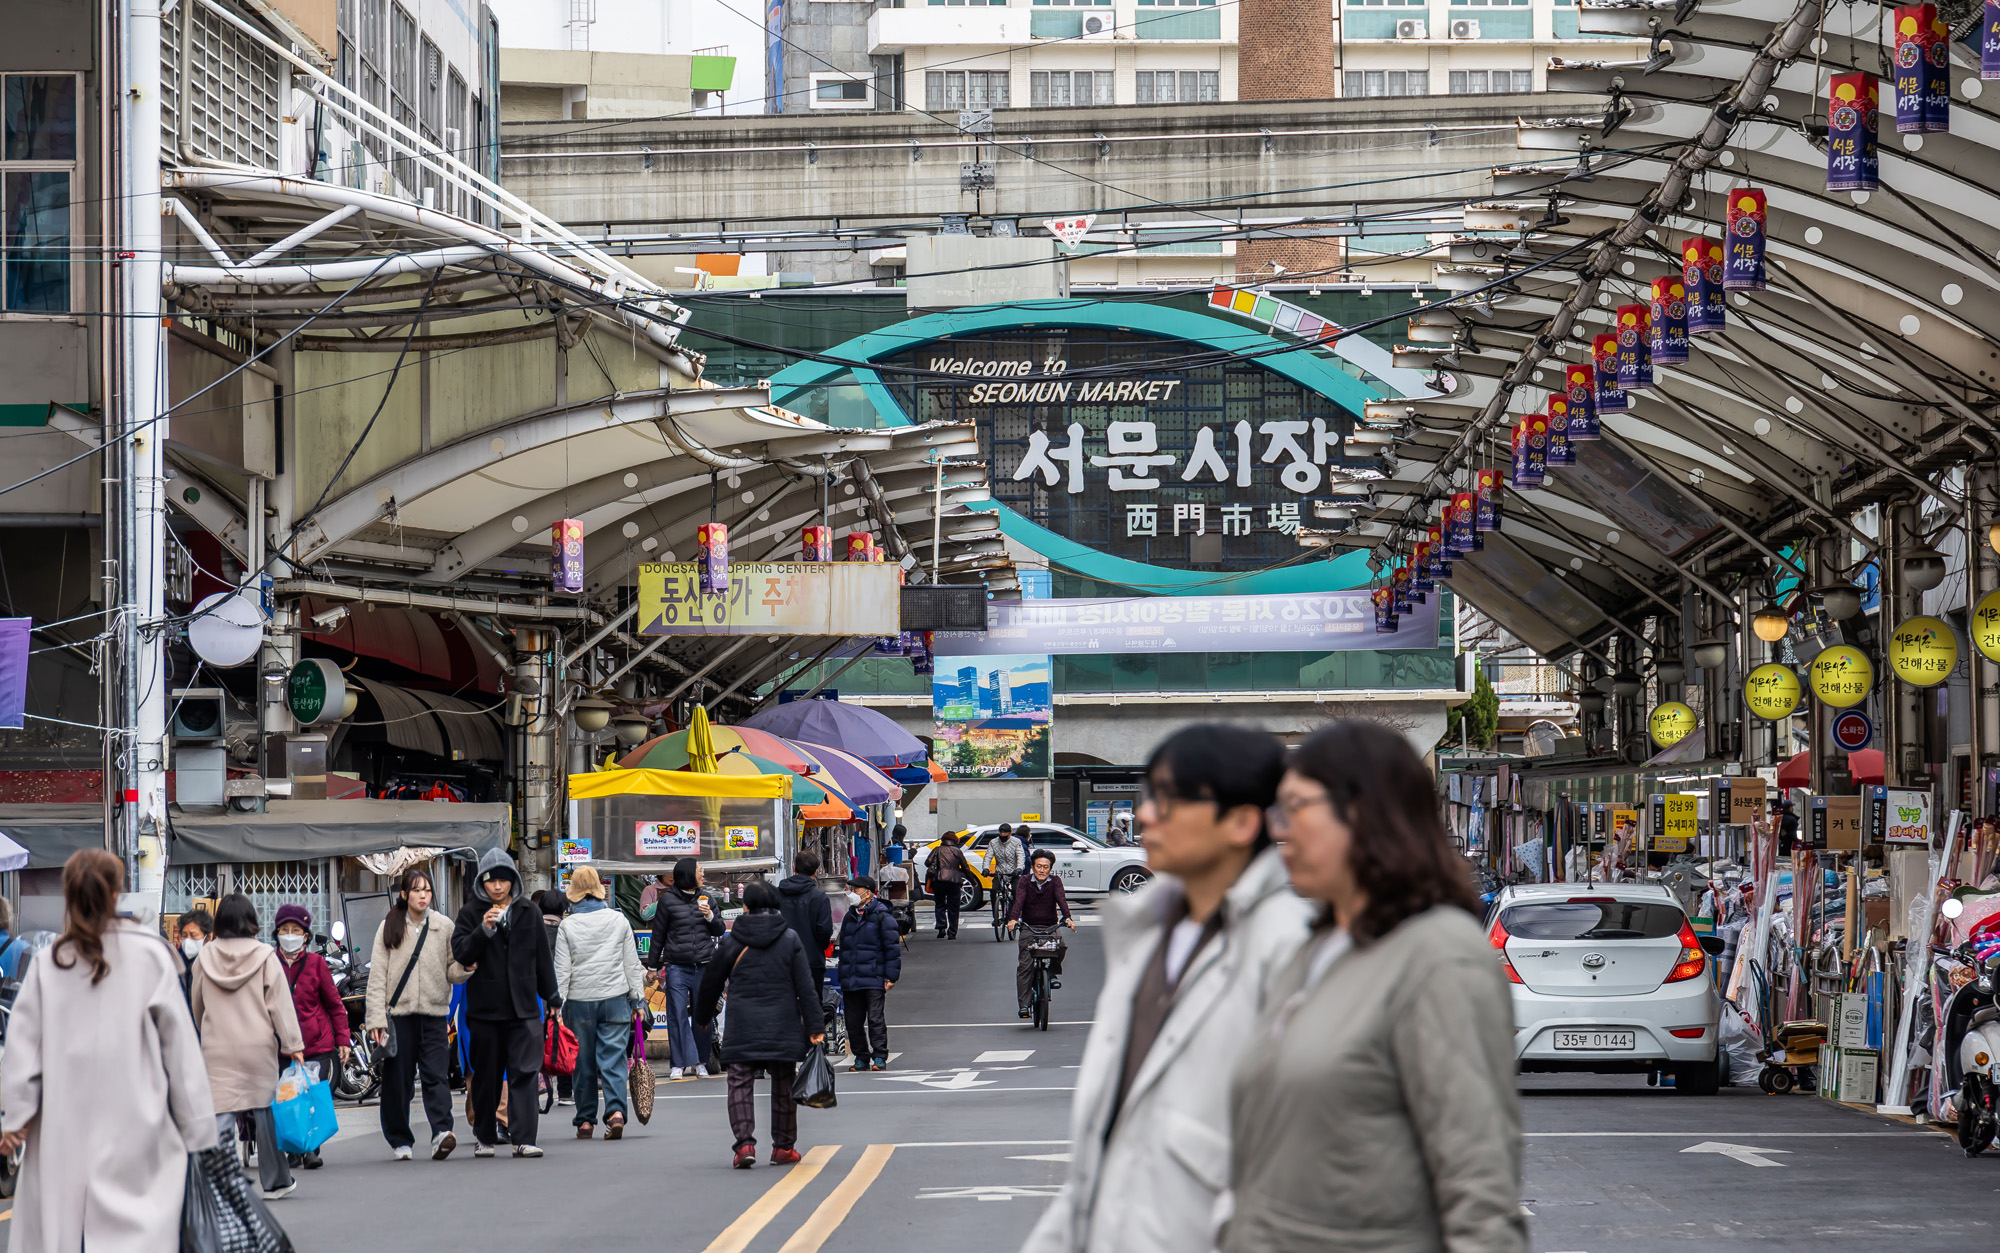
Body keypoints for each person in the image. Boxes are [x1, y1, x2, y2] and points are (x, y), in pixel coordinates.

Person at [1221, 719, 1525, 1253]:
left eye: (1296, 806)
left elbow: (1480, 1186)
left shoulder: (1439, 957)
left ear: (1363, 812)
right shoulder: (1315, 949)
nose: (1279, 828)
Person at [1022, 725, 1309, 1253]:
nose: (1147, 815)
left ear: (1242, 821)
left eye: (1171, 799)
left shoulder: (1293, 956)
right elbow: (1098, 1165)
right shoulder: (1144, 940)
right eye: (1150, 795)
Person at [0, 849, 217, 1253]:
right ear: (118, 895)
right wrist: (199, 1130)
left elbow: (22, 1050)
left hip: (63, 1130)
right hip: (138, 1124)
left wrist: (15, 1117)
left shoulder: (51, 962)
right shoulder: (151, 957)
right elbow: (181, 1056)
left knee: (67, 1231)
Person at [693, 880, 824, 1169]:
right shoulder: (790, 938)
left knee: (739, 1082)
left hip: (742, 1022)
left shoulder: (731, 940)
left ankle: (744, 1145)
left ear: (745, 906)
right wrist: (815, 1026)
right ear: (776, 906)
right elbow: (806, 986)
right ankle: (783, 1147)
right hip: (783, 1022)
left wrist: (702, 1018)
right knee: (784, 1083)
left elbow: (712, 982)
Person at [190, 893, 306, 1199]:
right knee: (264, 1111)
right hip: (257, 1046)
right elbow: (279, 1005)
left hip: (217, 1047)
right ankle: (275, 1181)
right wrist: (293, 1044)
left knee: (220, 1112)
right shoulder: (265, 956)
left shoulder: (204, 957)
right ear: (250, 920)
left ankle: (219, 1183)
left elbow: (197, 1005)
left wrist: (204, 1032)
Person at [451, 847, 558, 1158]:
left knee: (525, 1073)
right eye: (490, 881)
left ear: (513, 880)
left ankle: (523, 1137)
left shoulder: (529, 911)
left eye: (503, 880)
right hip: (485, 1010)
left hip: (524, 1008)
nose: (497, 887)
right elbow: (461, 953)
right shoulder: (470, 913)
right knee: (486, 1076)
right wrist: (484, 929)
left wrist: (552, 997)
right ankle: (484, 1135)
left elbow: (542, 960)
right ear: (481, 883)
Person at [363, 867, 458, 1162]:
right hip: (399, 1016)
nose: (422, 895)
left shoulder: (444, 926)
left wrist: (467, 968)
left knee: (435, 1076)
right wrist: (376, 1019)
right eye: (416, 890)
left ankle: (442, 1132)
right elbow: (377, 975)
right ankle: (400, 1140)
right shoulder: (389, 927)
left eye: (427, 890)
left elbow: (452, 970)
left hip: (433, 1014)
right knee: (397, 1081)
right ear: (404, 894)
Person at [554, 866, 646, 1141]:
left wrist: (557, 1008)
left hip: (579, 1003)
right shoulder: (618, 920)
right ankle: (616, 1112)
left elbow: (562, 971)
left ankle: (585, 1121)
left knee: (582, 1063)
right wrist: (638, 1000)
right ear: (599, 890)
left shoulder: (567, 925)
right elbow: (631, 963)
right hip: (615, 999)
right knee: (614, 1060)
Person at [271, 904, 350, 1171]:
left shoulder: (316, 964)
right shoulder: (270, 964)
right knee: (289, 1097)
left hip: (316, 1044)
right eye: (285, 930)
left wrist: (343, 1040)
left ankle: (312, 1150)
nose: (290, 935)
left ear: (306, 935)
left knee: (315, 1095)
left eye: (296, 930)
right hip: (282, 1045)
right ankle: (294, 1150)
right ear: (277, 933)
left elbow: (335, 1004)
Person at [648, 857, 724, 1080]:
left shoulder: (707, 898)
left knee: (703, 1016)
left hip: (704, 965)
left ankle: (700, 1062)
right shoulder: (668, 900)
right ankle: (678, 1064)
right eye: (700, 871)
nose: (703, 874)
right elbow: (658, 935)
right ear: (688, 874)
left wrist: (709, 915)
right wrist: (653, 966)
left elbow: (719, 929)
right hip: (676, 967)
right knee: (676, 1014)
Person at [837, 875, 900, 1071]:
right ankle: (861, 1057)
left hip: (874, 977)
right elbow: (845, 948)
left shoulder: (883, 917)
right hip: (852, 978)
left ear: (868, 892)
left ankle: (880, 1056)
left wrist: (891, 976)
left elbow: (892, 949)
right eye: (851, 889)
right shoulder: (849, 916)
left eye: (856, 890)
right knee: (853, 1022)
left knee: (875, 1018)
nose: (852, 893)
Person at [1007, 850, 1076, 1018]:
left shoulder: (1055, 882)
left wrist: (1068, 918)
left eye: (1046, 867)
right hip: (1029, 927)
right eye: (1039, 866)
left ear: (1051, 868)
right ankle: (1024, 1004)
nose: (1042, 870)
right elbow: (1019, 901)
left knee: (1061, 946)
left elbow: (1061, 900)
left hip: (1050, 927)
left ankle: (1052, 973)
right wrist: (1014, 919)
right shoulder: (1024, 881)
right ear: (1032, 867)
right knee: (1025, 967)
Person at [536, 889, 574, 1106]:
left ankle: (539, 1082)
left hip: (536, 993)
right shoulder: (566, 930)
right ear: (564, 909)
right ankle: (566, 1092)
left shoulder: (532, 929)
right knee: (562, 1038)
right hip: (562, 993)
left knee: (537, 1039)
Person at [776, 850, 834, 994]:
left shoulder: (777, 893)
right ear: (815, 872)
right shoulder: (819, 897)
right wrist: (818, 947)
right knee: (812, 1007)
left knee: (784, 1007)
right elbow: (824, 930)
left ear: (794, 868)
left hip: (782, 960)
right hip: (812, 961)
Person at [928, 831, 970, 938]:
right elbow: (965, 868)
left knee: (940, 904)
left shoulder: (937, 850)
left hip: (938, 880)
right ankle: (952, 932)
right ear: (955, 840)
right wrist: (973, 882)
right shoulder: (957, 851)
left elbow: (927, 862)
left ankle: (941, 928)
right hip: (954, 881)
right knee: (954, 907)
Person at [174, 907, 213, 998]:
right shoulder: (175, 961)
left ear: (208, 937)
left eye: (193, 935)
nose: (188, 940)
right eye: (184, 935)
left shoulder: (213, 963)